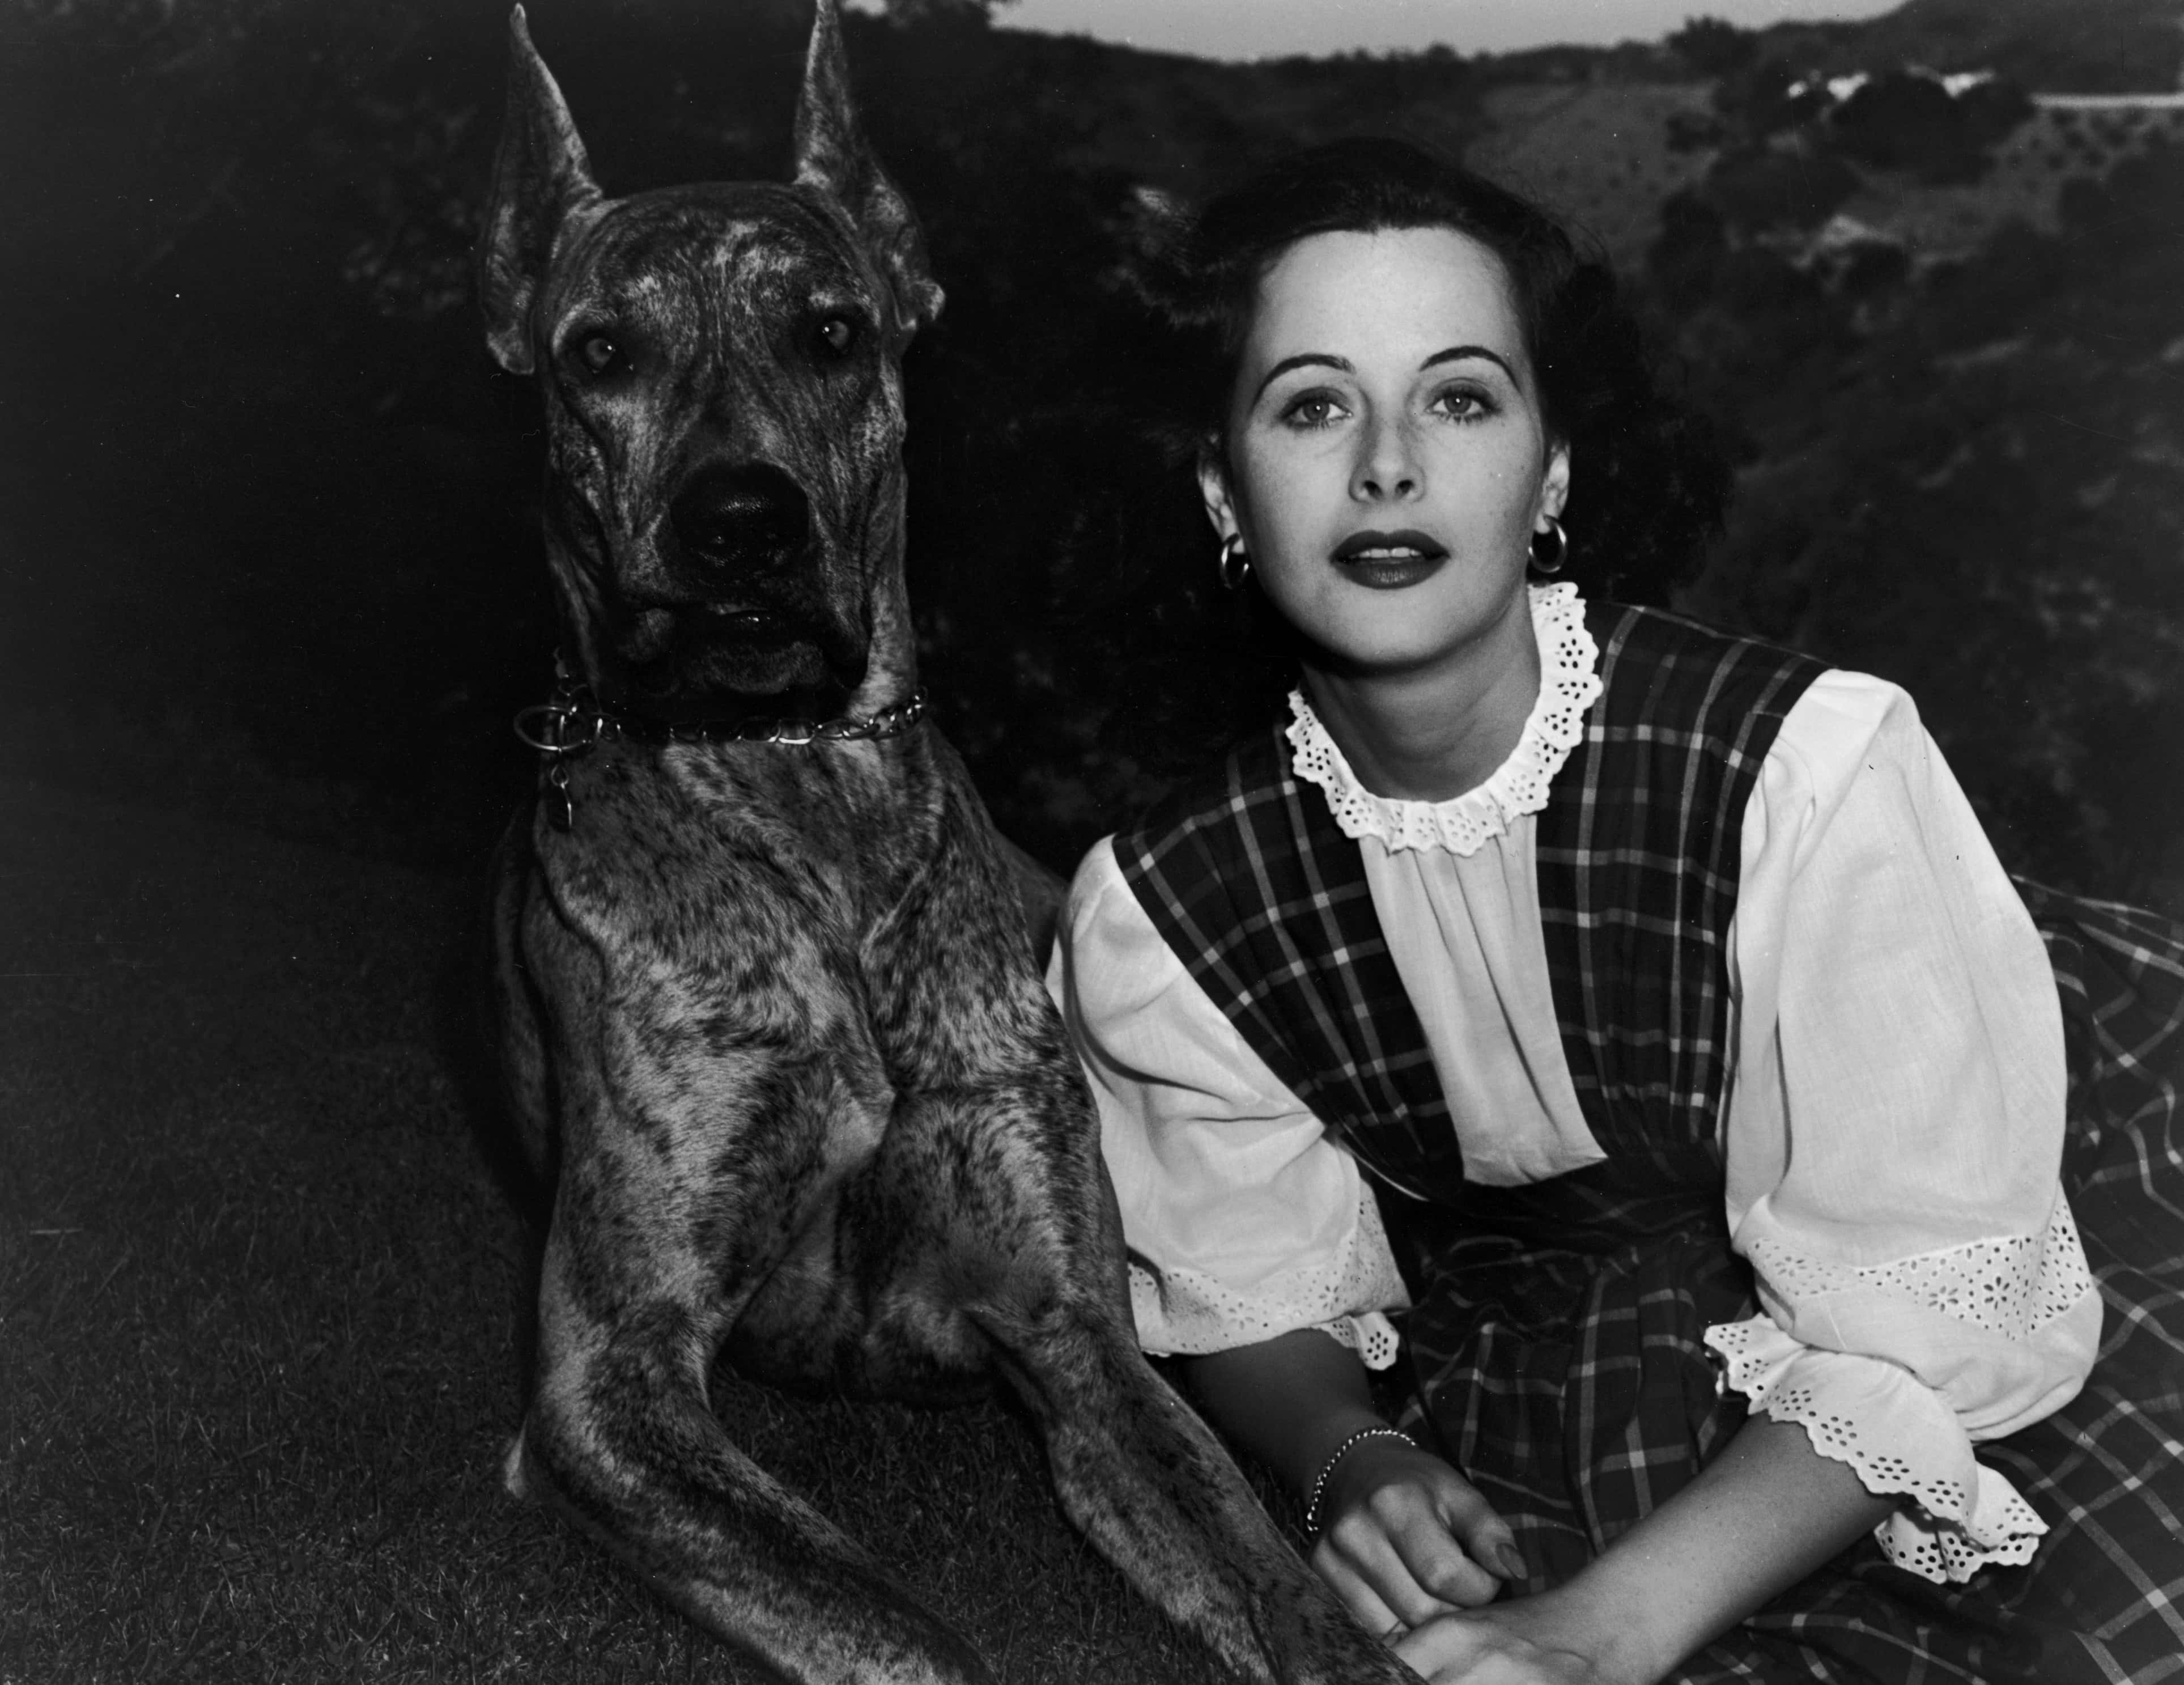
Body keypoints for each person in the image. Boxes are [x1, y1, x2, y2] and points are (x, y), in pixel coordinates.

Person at [1044, 138, 2184, 1684]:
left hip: (1999, 1196)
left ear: (1556, 469)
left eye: (1460, 398)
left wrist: (1595, 1632)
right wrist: (1348, 1456)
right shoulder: (1161, 909)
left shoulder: (1807, 769)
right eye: (1312, 405)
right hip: (1558, 1337)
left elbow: (1928, 1336)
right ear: (1221, 489)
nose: (1388, 465)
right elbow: (1237, 1269)